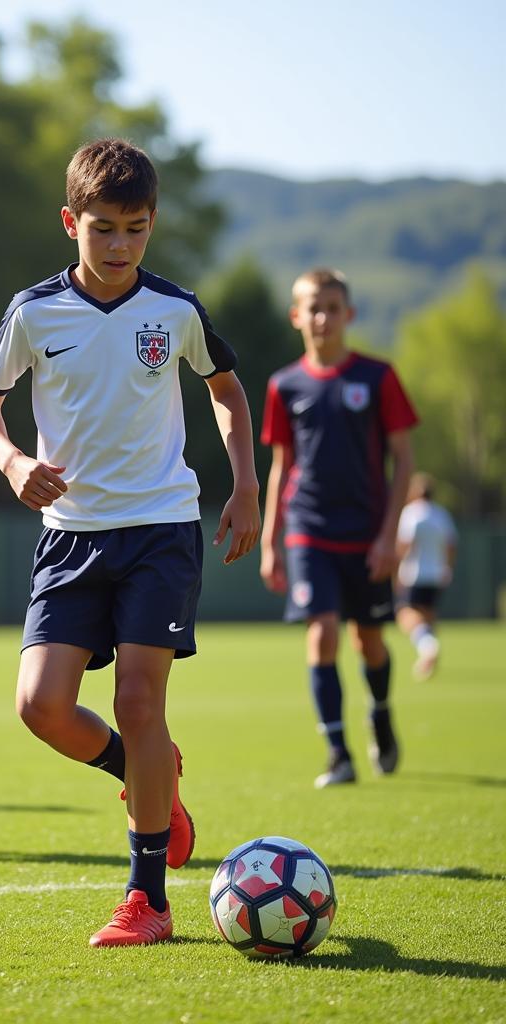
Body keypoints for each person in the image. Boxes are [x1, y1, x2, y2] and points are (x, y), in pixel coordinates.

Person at [0, 138, 260, 948]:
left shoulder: (176, 310)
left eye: (135, 229)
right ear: (71, 223)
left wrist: (246, 483)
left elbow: (226, 388)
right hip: (69, 540)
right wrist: (12, 459)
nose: (120, 245)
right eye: (103, 229)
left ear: (152, 226)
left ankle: (148, 900)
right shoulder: (33, 313)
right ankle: (148, 770)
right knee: (41, 706)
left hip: (161, 530)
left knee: (139, 699)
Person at [260, 267, 417, 789]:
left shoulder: (377, 377)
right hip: (309, 529)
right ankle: (337, 752)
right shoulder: (284, 385)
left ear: (348, 314)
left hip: (366, 532)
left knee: (368, 640)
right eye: (314, 307)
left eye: (333, 306)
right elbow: (282, 467)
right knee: (322, 633)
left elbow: (404, 459)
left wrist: (389, 536)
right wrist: (271, 541)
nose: (323, 316)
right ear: (296, 316)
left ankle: (380, 712)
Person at [396, 472, 457, 680]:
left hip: (414, 574)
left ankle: (428, 647)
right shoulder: (441, 514)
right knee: (428, 616)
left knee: (405, 615)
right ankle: (428, 663)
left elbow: (405, 545)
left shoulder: (411, 513)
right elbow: (450, 545)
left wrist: (397, 571)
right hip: (436, 574)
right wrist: (447, 568)